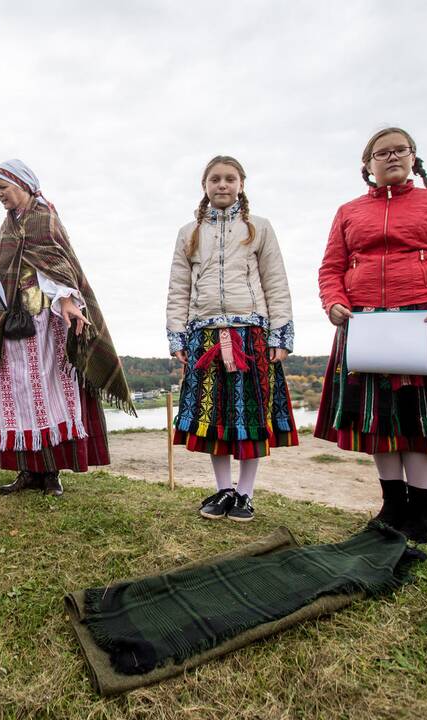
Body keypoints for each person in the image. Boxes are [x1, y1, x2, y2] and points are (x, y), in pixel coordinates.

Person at [315, 127, 427, 543]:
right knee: (378, 418)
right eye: (383, 152)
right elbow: (330, 268)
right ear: (368, 165)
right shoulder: (347, 211)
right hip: (364, 323)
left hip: (425, 321)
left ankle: (422, 509)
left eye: (401, 150)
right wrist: (334, 301)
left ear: (414, 158)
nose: (392, 157)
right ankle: (392, 504)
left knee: (421, 417)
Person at [0, 159, 134, 497]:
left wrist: (66, 301)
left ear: (21, 183)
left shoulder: (43, 215)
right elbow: (7, 267)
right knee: (18, 396)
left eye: (2, 187)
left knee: (47, 393)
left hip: (45, 324)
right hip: (13, 323)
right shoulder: (6, 226)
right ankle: (26, 472)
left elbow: (58, 265)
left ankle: (51, 473)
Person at [166, 156, 298, 522]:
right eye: (214, 179)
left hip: (251, 334)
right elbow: (178, 286)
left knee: (250, 415)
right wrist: (178, 335)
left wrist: (280, 333)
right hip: (204, 334)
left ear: (241, 184)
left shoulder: (259, 227)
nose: (222, 185)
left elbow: (276, 281)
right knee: (216, 415)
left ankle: (245, 494)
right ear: (205, 185)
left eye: (229, 179)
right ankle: (223, 489)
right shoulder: (188, 233)